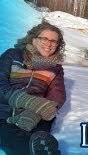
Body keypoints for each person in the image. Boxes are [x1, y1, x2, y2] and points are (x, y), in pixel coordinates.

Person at [0, 21, 66, 155]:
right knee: (10, 134)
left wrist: (37, 112)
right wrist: (25, 100)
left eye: (54, 41)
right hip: (5, 111)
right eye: (44, 38)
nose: (49, 43)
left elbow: (57, 95)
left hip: (37, 114)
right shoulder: (13, 55)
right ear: (33, 39)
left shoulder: (56, 68)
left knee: (38, 137)